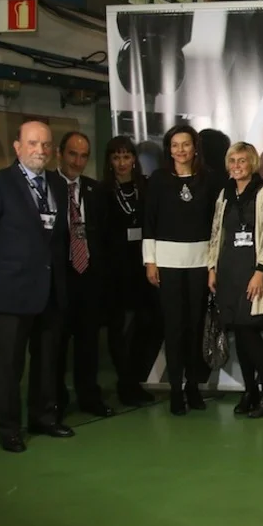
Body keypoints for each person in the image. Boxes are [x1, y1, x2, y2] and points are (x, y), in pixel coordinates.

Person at [0, 120, 74, 453]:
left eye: (45, 144)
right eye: (32, 143)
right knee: (9, 367)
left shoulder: (57, 185)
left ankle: (44, 418)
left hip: (50, 292)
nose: (40, 150)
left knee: (47, 362)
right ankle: (9, 429)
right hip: (10, 293)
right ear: (17, 147)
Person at [143, 124, 217, 415]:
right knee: (173, 327)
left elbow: (215, 224)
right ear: (169, 150)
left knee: (195, 327)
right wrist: (150, 261)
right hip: (167, 263)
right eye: (175, 145)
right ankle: (175, 389)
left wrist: (213, 265)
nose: (181, 150)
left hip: (200, 261)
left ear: (195, 147)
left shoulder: (209, 179)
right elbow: (149, 220)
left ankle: (193, 387)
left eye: (185, 144)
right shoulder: (158, 179)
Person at [208, 142, 263, 418]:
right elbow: (217, 232)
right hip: (229, 271)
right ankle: (249, 391)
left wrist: (260, 271)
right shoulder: (224, 194)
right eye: (233, 161)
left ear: (252, 163)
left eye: (242, 161)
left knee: (250, 333)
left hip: (254, 272)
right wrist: (212, 267)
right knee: (239, 334)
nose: (237, 166)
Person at [53, 131, 114, 420]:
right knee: (55, 344)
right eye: (72, 154)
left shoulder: (95, 190)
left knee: (88, 343)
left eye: (83, 156)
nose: (77, 161)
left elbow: (104, 234)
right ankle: (55, 400)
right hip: (58, 278)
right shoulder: (47, 186)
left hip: (88, 277)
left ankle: (89, 396)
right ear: (59, 153)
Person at [100, 135, 157, 407]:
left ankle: (134, 380)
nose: (122, 162)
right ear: (109, 161)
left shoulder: (145, 187)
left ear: (134, 158)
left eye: (126, 156)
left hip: (143, 266)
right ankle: (125, 383)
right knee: (119, 329)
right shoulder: (102, 191)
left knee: (146, 324)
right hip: (115, 269)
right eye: (116, 157)